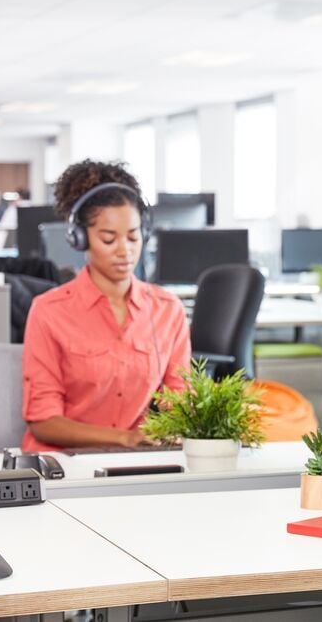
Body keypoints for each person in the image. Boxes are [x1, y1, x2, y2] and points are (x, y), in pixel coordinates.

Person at [21, 160, 191, 451]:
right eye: (109, 239)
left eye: (133, 236)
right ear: (80, 238)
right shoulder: (49, 311)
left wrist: (179, 424)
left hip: (134, 463)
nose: (125, 250)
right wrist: (124, 439)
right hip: (63, 464)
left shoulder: (167, 310)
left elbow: (179, 398)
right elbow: (43, 420)